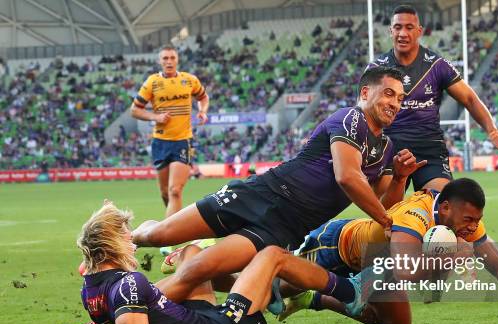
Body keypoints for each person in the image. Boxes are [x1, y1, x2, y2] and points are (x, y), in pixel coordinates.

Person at [131, 67, 426, 305]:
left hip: (283, 226)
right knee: (159, 234)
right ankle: (123, 236)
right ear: (365, 92)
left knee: (208, 268)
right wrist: (387, 221)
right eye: (389, 94)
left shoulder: (387, 149)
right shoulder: (350, 118)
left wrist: (399, 179)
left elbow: (380, 203)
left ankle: (143, 296)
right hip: (260, 194)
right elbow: (347, 177)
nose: (394, 103)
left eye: (400, 98)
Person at [62, 202, 374, 324]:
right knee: (273, 256)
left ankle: (270, 292)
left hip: (197, 322)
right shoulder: (129, 283)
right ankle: (349, 293)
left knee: (193, 254)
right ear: (111, 243)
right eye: (126, 237)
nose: (132, 244)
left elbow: (129, 321)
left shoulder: (90, 291)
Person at [278, 178, 498, 324]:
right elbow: (405, 270)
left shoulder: (468, 224)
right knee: (271, 292)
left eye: (477, 220)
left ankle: (314, 299)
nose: (472, 226)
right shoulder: (414, 214)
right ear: (444, 208)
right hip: (336, 249)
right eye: (468, 218)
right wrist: (453, 254)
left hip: (377, 268)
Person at [366, 5, 498, 192]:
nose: (402, 33)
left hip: (429, 148)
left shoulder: (437, 65)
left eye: (409, 27)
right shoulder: (376, 69)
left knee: (440, 207)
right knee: (386, 213)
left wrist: (493, 133)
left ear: (419, 31)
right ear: (390, 30)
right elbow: (363, 113)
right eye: (398, 27)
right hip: (389, 148)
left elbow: (470, 99)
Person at [131, 45, 209, 255]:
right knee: (165, 193)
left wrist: (202, 112)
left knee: (175, 190)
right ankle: (183, 228)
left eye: (172, 57)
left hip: (182, 141)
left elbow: (203, 97)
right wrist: (155, 117)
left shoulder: (189, 80)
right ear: (160, 61)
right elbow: (135, 109)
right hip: (160, 143)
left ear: (177, 60)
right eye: (165, 58)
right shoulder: (152, 83)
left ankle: (167, 238)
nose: (168, 61)